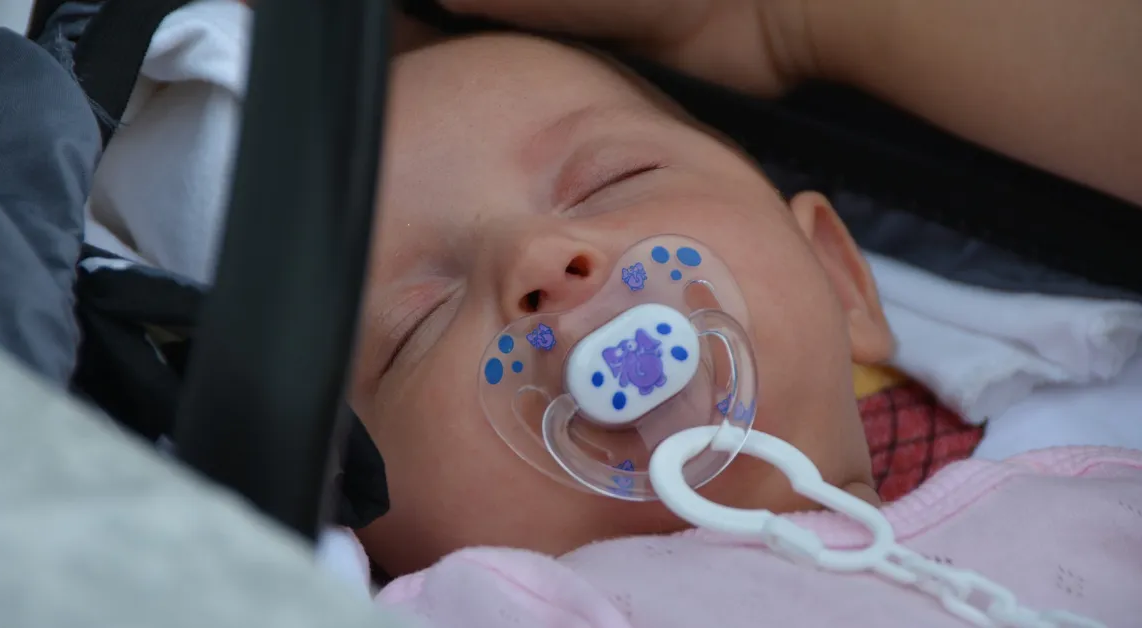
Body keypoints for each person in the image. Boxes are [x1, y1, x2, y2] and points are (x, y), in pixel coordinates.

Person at [335, 2, 1141, 625]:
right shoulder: (476, 608)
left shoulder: (1097, 502)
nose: (538, 258)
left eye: (613, 180)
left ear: (839, 279)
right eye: (417, 324)